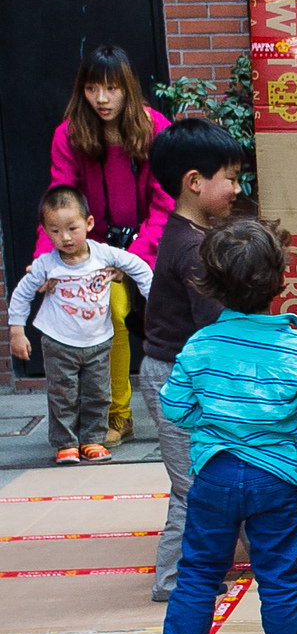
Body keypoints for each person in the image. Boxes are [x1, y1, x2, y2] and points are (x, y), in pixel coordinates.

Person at [157, 217, 297, 634]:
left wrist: (211, 428)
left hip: (214, 473)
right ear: (280, 280)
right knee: (278, 572)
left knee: (197, 569)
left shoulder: (199, 345)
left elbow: (173, 406)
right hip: (276, 477)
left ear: (211, 284)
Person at [41, 45, 175, 447]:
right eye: (93, 88)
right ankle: (118, 415)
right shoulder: (69, 134)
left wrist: (134, 257)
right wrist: (46, 262)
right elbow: (60, 200)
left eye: (112, 88)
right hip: (94, 249)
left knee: (175, 318)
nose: (102, 99)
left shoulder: (155, 128)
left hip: (151, 244)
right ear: (82, 90)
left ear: (127, 88)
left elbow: (165, 200)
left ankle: (189, 410)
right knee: (111, 315)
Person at [137, 119, 245, 602]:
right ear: (195, 182)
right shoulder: (194, 248)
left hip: (187, 373)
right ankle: (173, 581)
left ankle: (244, 552)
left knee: (220, 466)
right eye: (232, 178)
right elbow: (214, 326)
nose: (238, 190)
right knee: (192, 485)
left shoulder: (189, 232)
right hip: (176, 380)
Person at [8, 186, 156, 463]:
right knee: (62, 395)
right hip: (58, 341)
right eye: (54, 231)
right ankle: (66, 442)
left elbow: (139, 267)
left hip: (98, 341)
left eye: (72, 229)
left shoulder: (104, 255)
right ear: (45, 230)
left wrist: (154, 300)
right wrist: (17, 331)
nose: (65, 238)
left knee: (98, 393)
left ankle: (92, 440)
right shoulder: (46, 264)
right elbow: (22, 293)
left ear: (89, 224)